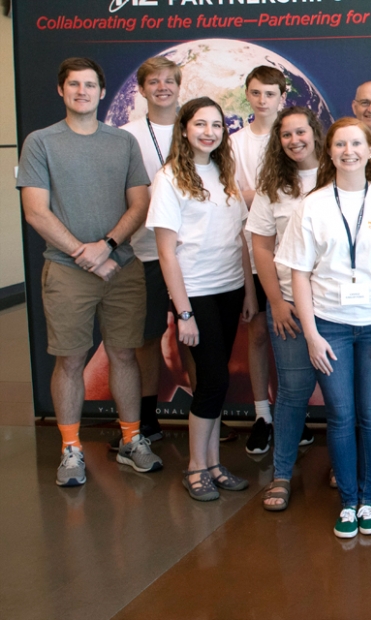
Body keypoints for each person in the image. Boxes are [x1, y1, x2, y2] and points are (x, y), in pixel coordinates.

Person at [18, 57, 161, 486]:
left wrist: (108, 247)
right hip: (67, 271)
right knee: (72, 359)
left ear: (102, 92)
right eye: (74, 85)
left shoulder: (122, 143)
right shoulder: (40, 142)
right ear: (61, 91)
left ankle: (132, 440)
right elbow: (35, 212)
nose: (82, 91)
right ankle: (71, 449)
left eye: (90, 85)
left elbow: (140, 203)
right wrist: (84, 253)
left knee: (123, 354)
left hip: (121, 267)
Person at [277, 117, 371, 537]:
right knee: (340, 415)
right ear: (329, 152)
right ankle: (347, 502)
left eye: (357, 143)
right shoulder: (311, 205)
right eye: (340, 144)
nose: (349, 151)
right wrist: (312, 334)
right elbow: (299, 273)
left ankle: (368, 500)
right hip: (329, 326)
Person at [147, 97, 258, 501]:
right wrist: (185, 313)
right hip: (196, 293)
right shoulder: (170, 178)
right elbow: (166, 252)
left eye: (216, 124)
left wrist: (248, 291)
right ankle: (196, 467)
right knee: (212, 380)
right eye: (200, 124)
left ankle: (213, 463)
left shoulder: (223, 173)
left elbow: (240, 241)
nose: (209, 131)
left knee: (217, 380)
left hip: (229, 290)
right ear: (184, 129)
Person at [247, 107, 324, 511]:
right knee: (294, 391)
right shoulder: (272, 187)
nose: (295, 140)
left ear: (316, 133)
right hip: (289, 307)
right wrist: (275, 302)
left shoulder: (340, 171)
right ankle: (281, 472)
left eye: (301, 132)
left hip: (337, 308)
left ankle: (341, 466)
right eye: (286, 135)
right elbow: (261, 245)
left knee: (344, 396)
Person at [116, 56, 181, 449]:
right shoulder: (125, 136)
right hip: (145, 253)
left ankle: (204, 414)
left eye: (169, 80)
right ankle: (148, 417)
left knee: (196, 339)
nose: (162, 87)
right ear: (141, 90)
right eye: (153, 81)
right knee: (147, 338)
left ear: (178, 86)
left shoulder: (197, 129)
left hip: (192, 255)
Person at [232, 66, 288, 454]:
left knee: (294, 335)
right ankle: (262, 415)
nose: (263, 99)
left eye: (270, 93)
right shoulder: (235, 143)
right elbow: (234, 197)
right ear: (247, 96)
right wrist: (260, 195)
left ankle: (290, 413)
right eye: (256, 93)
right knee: (257, 333)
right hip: (252, 251)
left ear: (282, 97)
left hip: (295, 258)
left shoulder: (294, 135)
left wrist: (256, 194)